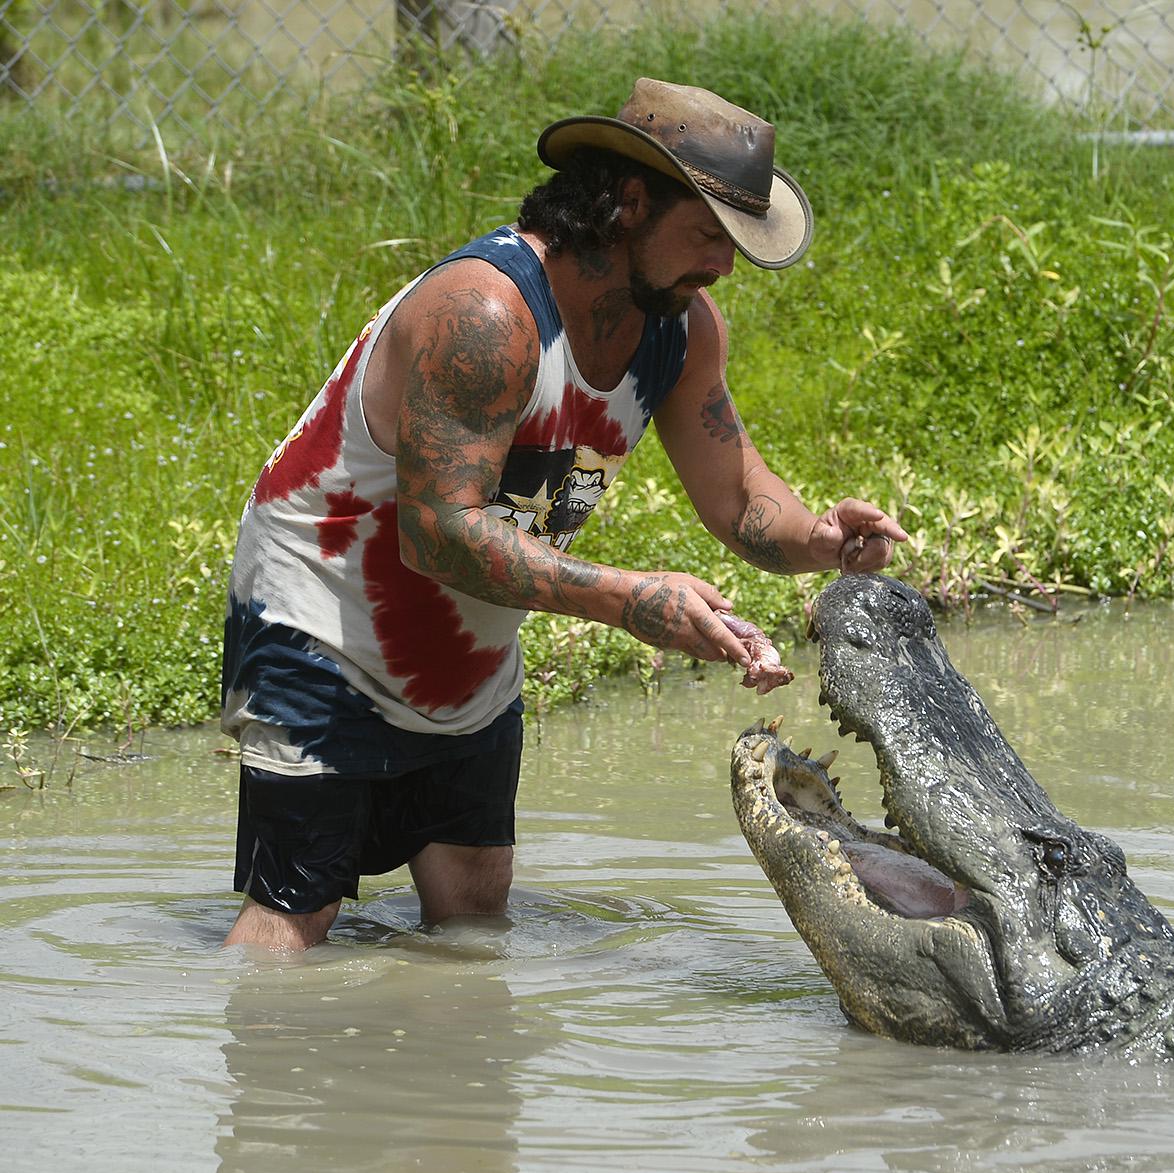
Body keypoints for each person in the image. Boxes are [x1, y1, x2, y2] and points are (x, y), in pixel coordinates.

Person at [219, 79, 907, 952]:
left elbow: (737, 495)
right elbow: (437, 532)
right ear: (627, 205)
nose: (723, 267)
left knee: (472, 908)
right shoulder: (484, 313)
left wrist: (816, 538)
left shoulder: (681, 329)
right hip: (324, 613)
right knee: (295, 913)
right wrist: (630, 599)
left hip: (467, 634)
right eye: (706, 235)